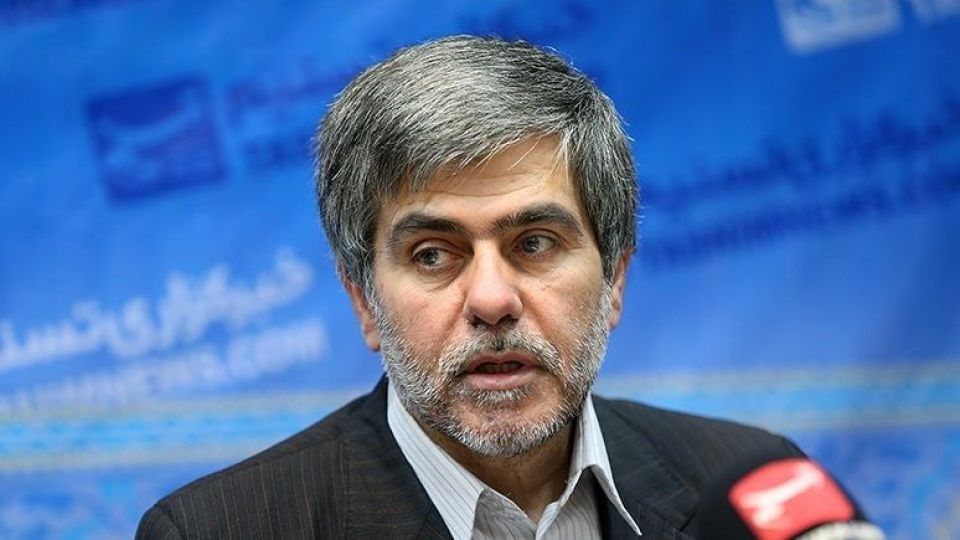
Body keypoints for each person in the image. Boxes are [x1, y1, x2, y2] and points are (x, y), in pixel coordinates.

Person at [137, 35, 802, 539]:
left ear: (616, 279)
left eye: (534, 243)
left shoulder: (755, 486)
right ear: (363, 300)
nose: (491, 300)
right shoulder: (219, 530)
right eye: (432, 255)